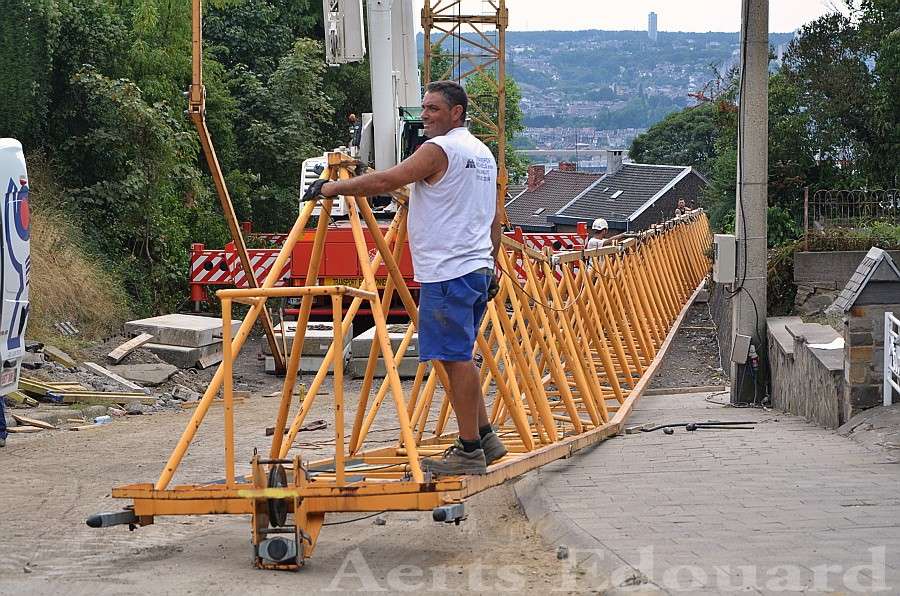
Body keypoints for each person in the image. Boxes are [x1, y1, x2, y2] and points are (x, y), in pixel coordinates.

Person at [303, 80, 506, 475]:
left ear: (456, 113)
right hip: (474, 267)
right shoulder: (482, 154)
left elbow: (387, 182)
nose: (426, 115)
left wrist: (331, 187)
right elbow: (495, 220)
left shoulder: (440, 149)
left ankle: (468, 451)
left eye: (433, 109)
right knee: (458, 356)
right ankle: (484, 438)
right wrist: (491, 264)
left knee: (455, 358)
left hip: (449, 270)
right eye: (425, 108)